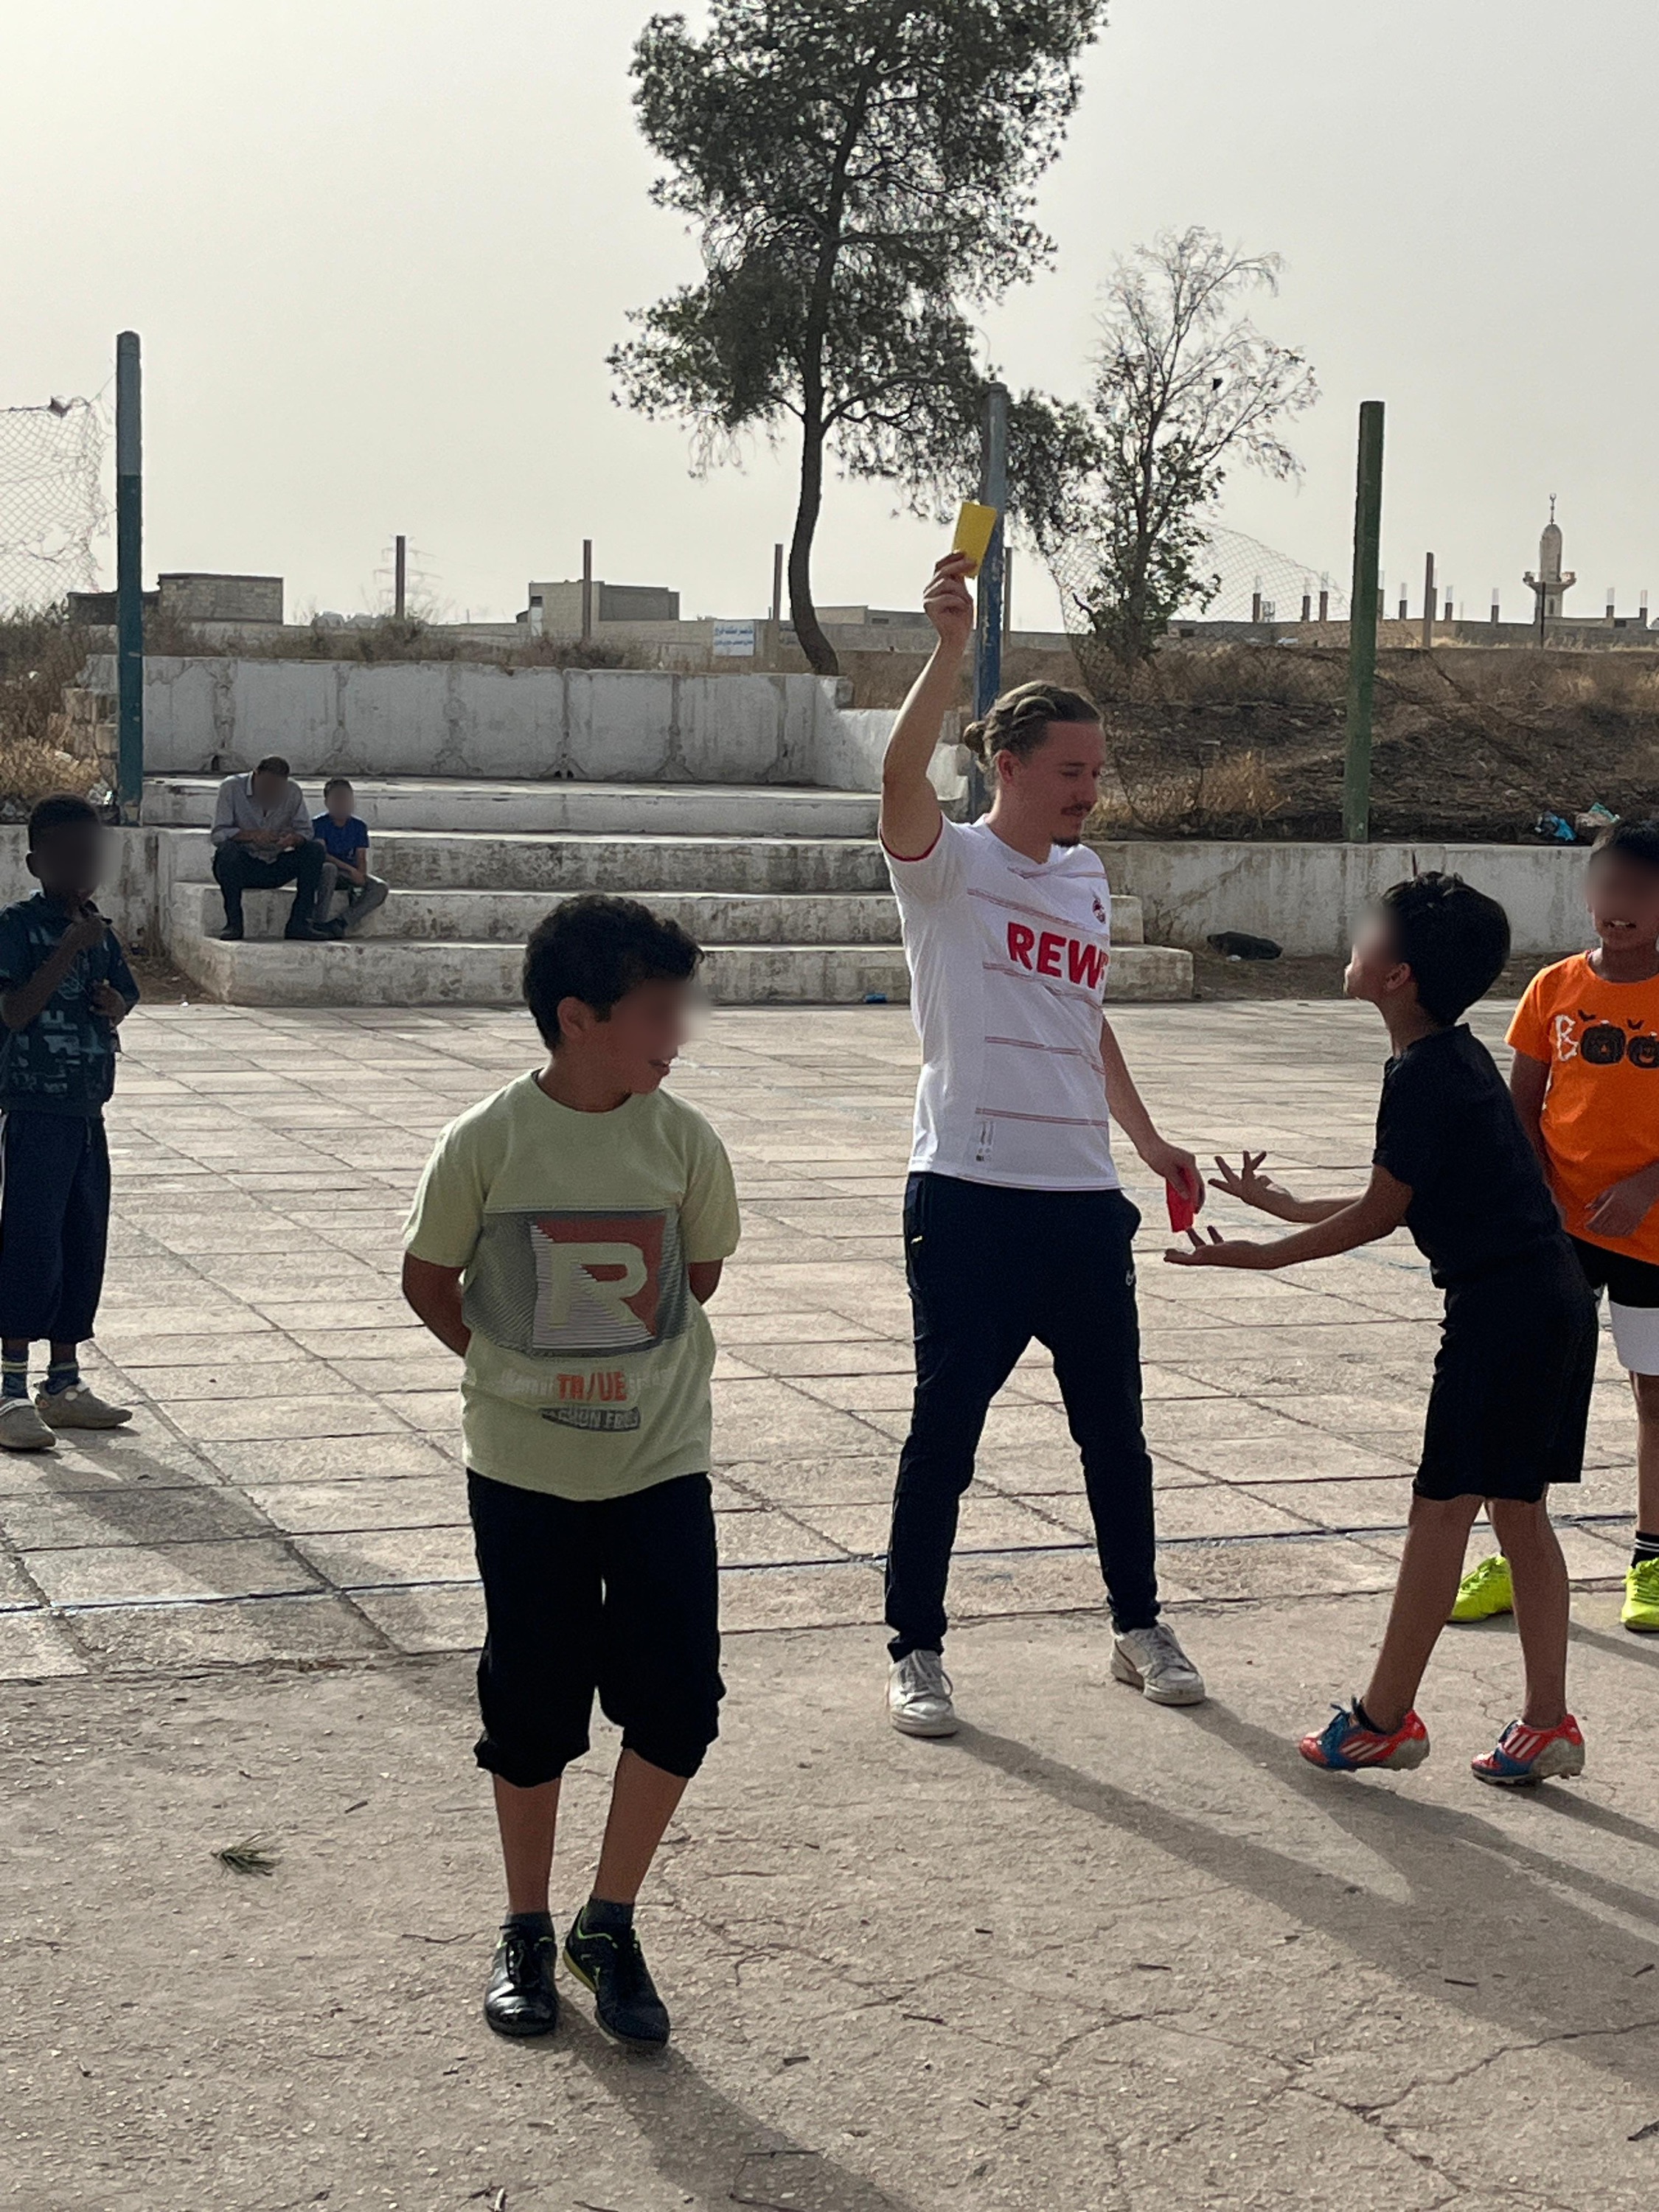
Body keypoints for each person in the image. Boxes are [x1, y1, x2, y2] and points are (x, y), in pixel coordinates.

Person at [877, 548, 1208, 1740]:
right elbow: (898, 775)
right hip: (965, 1193)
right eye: (1070, 772)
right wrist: (948, 652)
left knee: (1112, 1431)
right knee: (946, 1434)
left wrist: (1152, 1142)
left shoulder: (1086, 880)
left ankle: (1138, 1624)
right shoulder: (949, 870)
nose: (1088, 792)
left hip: (1081, 1199)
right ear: (1006, 768)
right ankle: (915, 1646)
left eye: (1096, 774)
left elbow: (1084, 1020)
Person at [402, 893, 740, 2047]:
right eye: (657, 1013)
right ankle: (526, 1928)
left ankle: (610, 1918)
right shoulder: (485, 1141)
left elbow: (694, 1278)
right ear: (577, 1017)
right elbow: (429, 1284)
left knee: (679, 1702)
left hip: (660, 1469)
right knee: (532, 1704)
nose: (677, 1034)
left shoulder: (683, 1140)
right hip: (522, 1475)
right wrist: (516, 1378)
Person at [1174, 874, 1596, 1788]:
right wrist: (1285, 1204)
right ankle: (1546, 1725)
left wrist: (1264, 1255)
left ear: (1397, 973)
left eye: (1368, 931)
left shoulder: (1424, 1074)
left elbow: (1375, 1217)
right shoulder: (1451, 1056)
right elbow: (1398, 1198)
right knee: (1518, 1513)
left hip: (1503, 1315)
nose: (1354, 941)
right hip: (1549, 1301)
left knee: (1443, 1509)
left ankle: (1381, 1720)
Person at [1452, 819, 1659, 1635]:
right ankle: (1516, 1547)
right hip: (1559, 1234)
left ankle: (1650, 1559)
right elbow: (1521, 1106)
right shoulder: (1554, 988)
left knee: (1653, 1399)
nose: (1619, 908)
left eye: (1639, 894)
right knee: (1529, 1394)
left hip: (1649, 1238)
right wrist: (1535, 1190)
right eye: (1607, 888)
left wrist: (1647, 1186)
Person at [0, 795, 139, 1451]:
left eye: (93, 853)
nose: (85, 866)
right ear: (36, 861)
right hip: (35, 1111)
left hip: (88, 1112)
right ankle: (7, 1390)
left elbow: (124, 994)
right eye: (71, 854)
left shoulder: (99, 930)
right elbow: (16, 1011)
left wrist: (114, 1003)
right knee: (29, 1246)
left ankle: (64, 1384)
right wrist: (66, 948)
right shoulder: (18, 928)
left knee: (82, 1245)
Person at [209, 755, 329, 942]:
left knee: (314, 850)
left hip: (275, 863)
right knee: (227, 852)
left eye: (276, 787)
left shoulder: (293, 792)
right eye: (267, 785)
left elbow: (306, 832)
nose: (271, 791)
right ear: (255, 775)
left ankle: (300, 922)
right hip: (242, 866)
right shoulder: (231, 787)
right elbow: (218, 834)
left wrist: (292, 840)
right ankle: (234, 924)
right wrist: (253, 835)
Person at [313, 776, 389, 936]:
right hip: (327, 872)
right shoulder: (319, 824)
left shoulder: (359, 826)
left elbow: (361, 856)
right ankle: (318, 922)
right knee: (329, 869)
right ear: (327, 802)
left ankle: (341, 922)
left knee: (380, 887)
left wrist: (360, 874)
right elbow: (322, 855)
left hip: (349, 874)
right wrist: (350, 869)